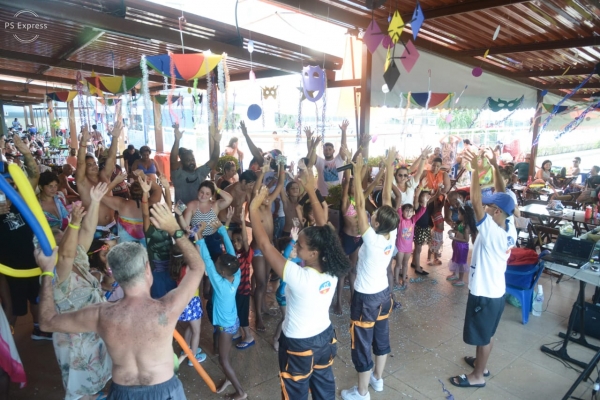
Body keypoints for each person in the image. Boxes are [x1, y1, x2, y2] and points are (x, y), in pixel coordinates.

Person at [37, 202, 206, 399]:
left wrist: (47, 272)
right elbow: (197, 267)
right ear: (147, 270)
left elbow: (47, 322)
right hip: (165, 391)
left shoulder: (101, 315)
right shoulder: (167, 309)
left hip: (122, 394)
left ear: (114, 276)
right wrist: (175, 229)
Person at [250, 177, 349, 399]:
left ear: (313, 254)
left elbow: (265, 245)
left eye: (300, 246)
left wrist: (252, 210)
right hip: (324, 337)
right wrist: (310, 190)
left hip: (298, 344)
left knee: (295, 393)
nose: (296, 247)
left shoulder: (299, 277)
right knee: (324, 390)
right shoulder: (333, 266)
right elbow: (324, 228)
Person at [448, 148, 516, 389]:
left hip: (485, 294)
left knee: (483, 336)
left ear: (496, 211)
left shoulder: (492, 232)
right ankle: (480, 363)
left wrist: (475, 172)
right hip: (495, 292)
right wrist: (495, 167)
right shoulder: (509, 226)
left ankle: (478, 375)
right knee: (486, 333)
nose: (485, 207)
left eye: (490, 207)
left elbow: (476, 201)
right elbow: (504, 193)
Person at [342, 149, 399, 400]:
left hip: (365, 298)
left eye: (373, 216)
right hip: (384, 295)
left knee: (362, 342)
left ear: (375, 222)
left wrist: (356, 174)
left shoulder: (373, 238)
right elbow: (386, 196)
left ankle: (362, 392)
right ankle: (378, 379)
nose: (372, 213)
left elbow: (360, 202)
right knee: (382, 336)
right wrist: (388, 167)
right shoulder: (391, 233)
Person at [50, 184, 113, 399]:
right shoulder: (56, 269)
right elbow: (66, 255)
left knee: (99, 378)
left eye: (62, 233)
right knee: (81, 389)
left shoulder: (77, 255)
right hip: (75, 340)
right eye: (58, 237)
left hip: (94, 331)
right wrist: (74, 223)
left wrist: (94, 201)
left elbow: (87, 230)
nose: (64, 237)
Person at [0, 136, 46, 339]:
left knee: (37, 299)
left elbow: (34, 174)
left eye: (13, 183)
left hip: (32, 261)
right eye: (6, 185)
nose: (11, 188)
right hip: (9, 267)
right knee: (11, 308)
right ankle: (6, 348)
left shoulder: (24, 199)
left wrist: (26, 153)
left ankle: (39, 329)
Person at [197, 221, 247, 399]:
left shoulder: (219, 284)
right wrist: (222, 231)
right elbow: (231, 255)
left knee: (223, 360)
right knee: (225, 354)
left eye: (219, 266)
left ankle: (240, 392)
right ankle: (228, 379)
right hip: (233, 321)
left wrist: (200, 238)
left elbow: (208, 263)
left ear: (223, 273)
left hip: (226, 326)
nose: (216, 265)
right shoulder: (236, 273)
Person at [250, 163, 285, 332]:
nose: (266, 196)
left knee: (264, 282)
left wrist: (282, 166)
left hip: (269, 247)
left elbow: (280, 184)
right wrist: (261, 175)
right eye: (262, 194)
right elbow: (255, 191)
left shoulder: (269, 202)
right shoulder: (255, 207)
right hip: (258, 249)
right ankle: (257, 316)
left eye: (266, 194)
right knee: (261, 283)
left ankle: (263, 307)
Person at [75, 122, 121, 237]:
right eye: (89, 165)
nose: (93, 166)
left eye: (94, 163)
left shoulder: (104, 176)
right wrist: (83, 143)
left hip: (112, 224)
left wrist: (115, 138)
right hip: (94, 228)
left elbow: (111, 157)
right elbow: (80, 163)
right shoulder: (82, 182)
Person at [170, 237, 207, 366]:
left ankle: (186, 351)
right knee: (196, 331)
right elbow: (199, 260)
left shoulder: (176, 268)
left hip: (183, 302)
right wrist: (196, 241)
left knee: (191, 328)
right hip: (192, 302)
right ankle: (193, 358)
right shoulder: (190, 268)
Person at [179, 181, 233, 259]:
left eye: (207, 193)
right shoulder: (191, 205)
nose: (204, 196)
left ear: (211, 195)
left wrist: (217, 189)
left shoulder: (215, 205)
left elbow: (229, 199)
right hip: (196, 238)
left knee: (215, 262)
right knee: (199, 264)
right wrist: (180, 215)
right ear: (198, 191)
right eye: (202, 192)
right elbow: (185, 226)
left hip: (213, 239)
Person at [170, 123, 221, 205]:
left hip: (198, 211)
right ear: (181, 162)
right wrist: (177, 140)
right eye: (188, 160)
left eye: (193, 159)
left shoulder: (200, 172)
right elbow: (173, 161)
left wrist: (217, 143)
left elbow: (213, 160)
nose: (191, 162)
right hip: (182, 211)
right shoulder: (177, 175)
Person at [272, 228, 301, 352]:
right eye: (293, 249)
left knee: (290, 317)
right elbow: (286, 253)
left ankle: (286, 338)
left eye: (295, 248)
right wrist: (293, 240)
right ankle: (276, 338)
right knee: (285, 317)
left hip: (290, 294)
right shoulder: (285, 261)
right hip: (282, 294)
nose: (295, 250)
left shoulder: (295, 260)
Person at [394, 180, 425, 290]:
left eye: (411, 211)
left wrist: (424, 203)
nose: (409, 213)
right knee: (398, 264)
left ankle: (404, 280)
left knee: (405, 264)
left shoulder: (413, 220)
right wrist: (399, 194)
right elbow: (398, 208)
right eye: (406, 211)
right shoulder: (401, 220)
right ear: (402, 212)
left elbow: (421, 212)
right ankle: (396, 280)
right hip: (400, 247)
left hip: (408, 248)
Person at [230, 210, 255, 350]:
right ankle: (239, 332)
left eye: (238, 240)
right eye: (234, 241)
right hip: (235, 291)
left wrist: (242, 223)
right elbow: (227, 238)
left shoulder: (246, 255)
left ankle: (249, 336)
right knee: (237, 313)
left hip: (244, 291)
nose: (235, 243)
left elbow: (246, 240)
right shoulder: (233, 254)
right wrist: (227, 222)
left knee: (243, 315)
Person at [305, 120, 349, 196]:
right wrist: (308, 138)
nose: (327, 151)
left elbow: (343, 146)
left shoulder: (339, 159)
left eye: (329, 149)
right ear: (323, 151)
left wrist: (343, 131)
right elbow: (310, 152)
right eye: (325, 149)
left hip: (337, 195)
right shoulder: (319, 162)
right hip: (322, 196)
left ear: (333, 151)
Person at [446, 205, 477, 287]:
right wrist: (451, 230)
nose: (458, 215)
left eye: (459, 214)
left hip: (462, 247)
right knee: (455, 259)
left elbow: (466, 240)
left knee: (461, 262)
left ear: (464, 215)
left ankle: (461, 279)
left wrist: (454, 238)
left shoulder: (466, 227)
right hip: (457, 245)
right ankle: (454, 274)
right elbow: (457, 230)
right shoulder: (462, 224)